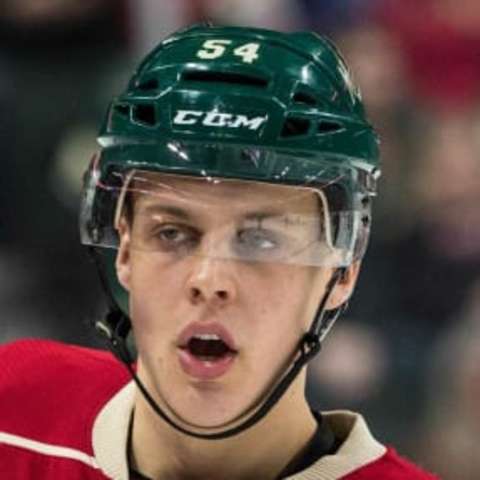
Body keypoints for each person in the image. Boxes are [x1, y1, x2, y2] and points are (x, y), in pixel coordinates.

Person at [0, 24, 437, 479]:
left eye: (261, 239)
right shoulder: (12, 412)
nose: (209, 280)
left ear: (342, 271)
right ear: (125, 249)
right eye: (172, 233)